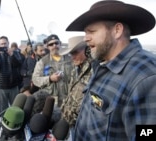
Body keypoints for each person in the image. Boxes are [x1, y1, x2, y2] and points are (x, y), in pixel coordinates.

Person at [65, 0, 156, 141]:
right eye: (85, 33)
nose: (86, 38)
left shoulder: (147, 77)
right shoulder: (102, 66)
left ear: (117, 30)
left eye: (92, 31)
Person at [59, 36, 92, 139]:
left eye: (75, 52)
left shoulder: (95, 71)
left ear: (87, 50)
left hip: (85, 127)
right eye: (71, 54)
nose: (72, 57)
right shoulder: (75, 70)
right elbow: (71, 94)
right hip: (71, 123)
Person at [32, 34, 72, 107]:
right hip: (52, 101)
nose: (54, 46)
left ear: (60, 44)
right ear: (47, 47)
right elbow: (35, 79)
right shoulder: (42, 62)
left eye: (56, 43)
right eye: (51, 44)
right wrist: (50, 78)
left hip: (68, 100)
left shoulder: (70, 59)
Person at [0, 36, 23, 114]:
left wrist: (11, 55)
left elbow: (18, 64)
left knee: (15, 107)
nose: (4, 46)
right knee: (3, 109)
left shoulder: (15, 53)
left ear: (8, 43)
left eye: (5, 43)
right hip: (1, 86)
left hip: (13, 86)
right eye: (2, 44)